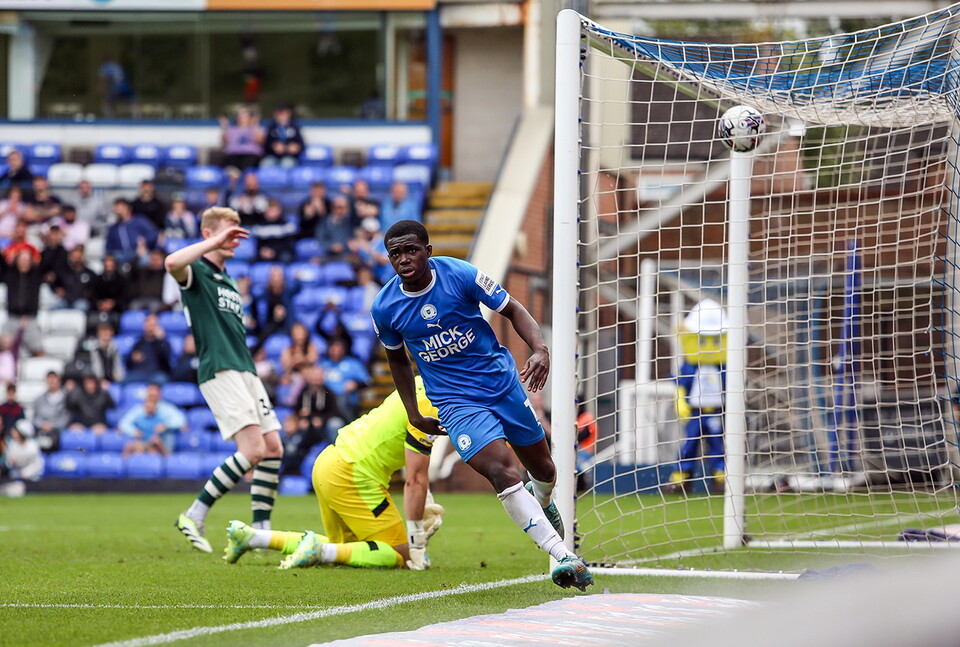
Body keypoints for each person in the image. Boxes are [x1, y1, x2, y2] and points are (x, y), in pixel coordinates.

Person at [370, 220, 593, 591]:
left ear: (428, 249)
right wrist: (413, 412)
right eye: (396, 254)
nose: (404, 259)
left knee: (544, 468)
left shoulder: (459, 274)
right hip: (455, 402)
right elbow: (397, 360)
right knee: (502, 473)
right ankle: (562, 554)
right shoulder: (386, 307)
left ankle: (544, 499)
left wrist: (540, 349)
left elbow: (513, 309)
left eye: (411, 250)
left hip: (501, 384)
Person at [222, 377, 445, 571]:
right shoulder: (431, 405)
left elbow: (395, 434)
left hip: (329, 461)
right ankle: (320, 551)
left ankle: (253, 537)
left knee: (342, 551)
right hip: (354, 474)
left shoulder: (416, 383)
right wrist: (417, 540)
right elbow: (415, 478)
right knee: (400, 556)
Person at [165, 206, 283, 553]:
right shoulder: (197, 271)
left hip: (244, 368)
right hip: (219, 368)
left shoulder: (229, 279)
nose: (235, 238)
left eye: (237, 231)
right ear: (209, 234)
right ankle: (194, 514)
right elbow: (171, 263)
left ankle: (261, 533)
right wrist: (215, 240)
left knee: (273, 447)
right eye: (228, 232)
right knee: (253, 450)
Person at [666, 299, 728, 494]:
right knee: (689, 444)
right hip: (695, 411)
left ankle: (720, 477)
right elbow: (682, 383)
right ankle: (681, 477)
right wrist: (680, 399)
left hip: (716, 410)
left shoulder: (723, 367)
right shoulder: (690, 366)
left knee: (718, 444)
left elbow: (730, 385)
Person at [118, 384, 187, 458]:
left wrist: (166, 426)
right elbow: (123, 424)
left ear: (159, 395)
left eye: (154, 395)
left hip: (162, 443)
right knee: (134, 448)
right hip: (144, 442)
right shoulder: (139, 410)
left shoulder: (166, 410)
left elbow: (181, 422)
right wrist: (133, 431)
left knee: (154, 449)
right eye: (150, 394)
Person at [292, 364, 344, 448]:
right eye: (313, 378)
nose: (315, 381)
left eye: (318, 378)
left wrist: (322, 419)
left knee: (335, 423)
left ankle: (335, 448)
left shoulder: (328, 392)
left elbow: (335, 412)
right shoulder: (304, 393)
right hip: (308, 423)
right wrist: (300, 419)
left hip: (325, 423)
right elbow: (296, 410)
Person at [319, 337, 370, 421]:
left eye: (338, 349)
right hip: (326, 399)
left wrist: (355, 384)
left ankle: (350, 422)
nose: (336, 352)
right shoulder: (323, 364)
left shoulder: (353, 363)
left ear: (343, 350)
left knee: (341, 400)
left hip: (347, 399)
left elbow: (367, 381)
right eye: (333, 349)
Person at [105, 198, 158, 264]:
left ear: (128, 208)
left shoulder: (139, 221)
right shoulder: (114, 228)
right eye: (117, 209)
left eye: (121, 208)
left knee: (145, 259)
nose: (119, 211)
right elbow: (109, 246)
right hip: (120, 255)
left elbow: (153, 234)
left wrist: (144, 240)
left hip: (136, 252)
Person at [124, 313, 173, 385]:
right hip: (139, 373)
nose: (151, 328)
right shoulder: (139, 342)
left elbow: (166, 358)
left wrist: (160, 339)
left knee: (161, 379)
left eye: (153, 325)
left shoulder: (163, 342)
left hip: (156, 374)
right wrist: (132, 358)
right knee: (124, 381)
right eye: (149, 325)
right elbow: (128, 363)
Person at [1, 419, 44, 497]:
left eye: (15, 430)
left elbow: (37, 465)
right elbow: (9, 463)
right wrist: (11, 462)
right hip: (15, 476)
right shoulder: (13, 444)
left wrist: (25, 473)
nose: (12, 432)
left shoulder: (32, 446)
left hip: (31, 478)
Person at [32, 371, 70, 453]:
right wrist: (42, 424)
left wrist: (53, 425)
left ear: (59, 380)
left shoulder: (66, 399)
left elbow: (66, 417)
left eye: (54, 379)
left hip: (58, 432)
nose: (52, 382)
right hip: (42, 433)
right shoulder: (39, 400)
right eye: (49, 379)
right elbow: (35, 418)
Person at [219, 106, 264, 173]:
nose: (242, 118)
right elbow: (224, 141)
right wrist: (225, 127)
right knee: (228, 164)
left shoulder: (255, 128)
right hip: (233, 154)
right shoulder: (232, 129)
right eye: (240, 116)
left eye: (245, 116)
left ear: (250, 118)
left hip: (250, 154)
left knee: (248, 163)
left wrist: (255, 124)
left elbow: (260, 140)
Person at [251, 199, 296, 263]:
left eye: (274, 211)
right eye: (270, 210)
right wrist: (263, 251)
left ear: (279, 211)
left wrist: (274, 251)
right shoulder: (259, 226)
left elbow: (288, 244)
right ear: (265, 211)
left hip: (281, 253)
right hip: (265, 253)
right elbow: (259, 244)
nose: (272, 213)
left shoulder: (287, 225)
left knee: (286, 257)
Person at [260, 103, 304, 169]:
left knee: (287, 164)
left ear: (289, 114)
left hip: (289, 157)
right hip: (273, 156)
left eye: (285, 114)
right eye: (280, 114)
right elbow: (265, 145)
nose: (282, 117)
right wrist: (273, 146)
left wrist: (295, 148)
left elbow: (301, 145)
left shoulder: (294, 127)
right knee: (266, 164)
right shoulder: (271, 127)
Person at [316, 195, 354, 259]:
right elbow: (320, 238)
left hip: (347, 255)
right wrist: (331, 246)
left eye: (346, 207)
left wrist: (343, 246)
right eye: (340, 207)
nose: (343, 210)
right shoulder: (325, 222)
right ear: (333, 208)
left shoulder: (352, 221)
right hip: (328, 255)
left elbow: (354, 239)